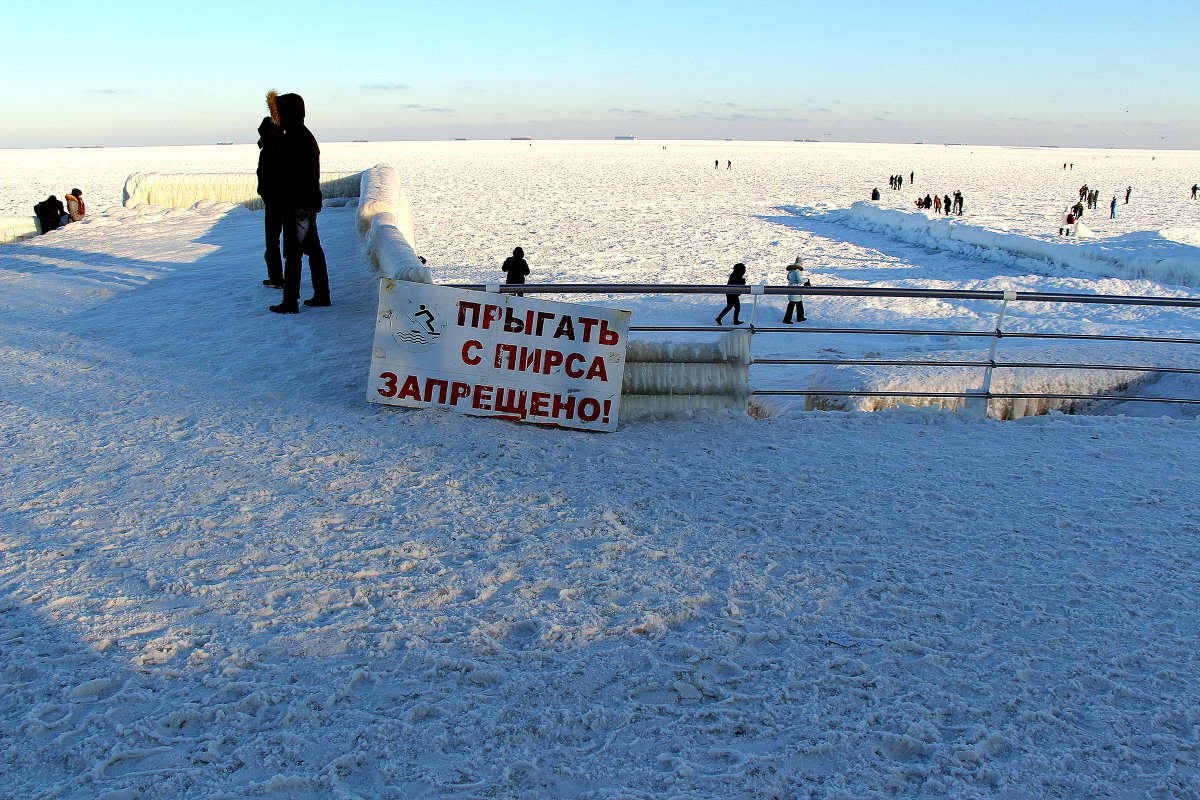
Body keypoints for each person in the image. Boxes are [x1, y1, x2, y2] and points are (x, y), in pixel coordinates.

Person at [269, 92, 330, 314]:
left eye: (280, 112)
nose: (278, 117)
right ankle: (322, 294)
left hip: (297, 205)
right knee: (312, 249)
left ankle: (290, 301)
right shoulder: (301, 135)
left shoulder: (295, 137)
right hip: (303, 203)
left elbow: (291, 175)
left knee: (294, 253)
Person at [256, 103, 285, 289]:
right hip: (279, 199)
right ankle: (280, 277)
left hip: (275, 201)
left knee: (273, 242)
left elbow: (267, 176)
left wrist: (266, 194)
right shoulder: (282, 145)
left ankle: (277, 278)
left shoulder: (269, 150)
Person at [783, 256, 809, 324]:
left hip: (791, 287)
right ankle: (787, 319)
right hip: (796, 288)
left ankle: (800, 317)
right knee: (793, 305)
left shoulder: (791, 269)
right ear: (800, 262)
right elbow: (799, 280)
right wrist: (806, 280)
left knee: (798, 303)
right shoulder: (797, 270)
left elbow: (788, 278)